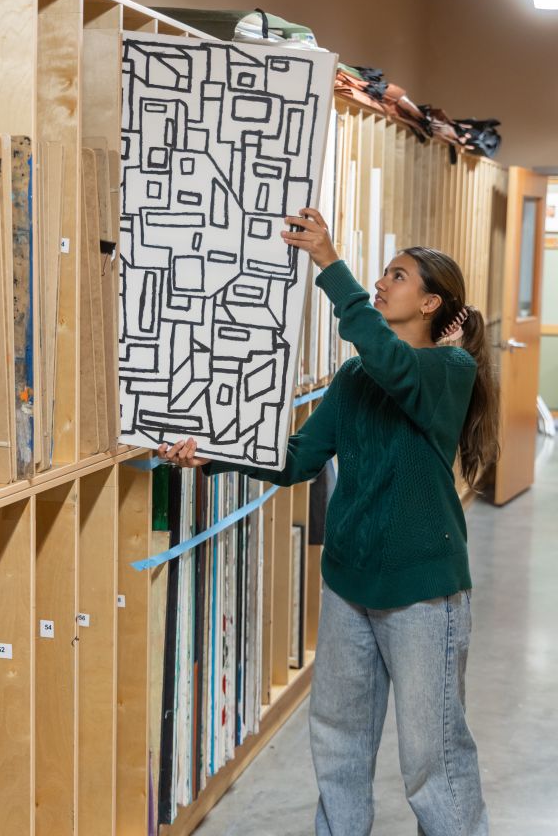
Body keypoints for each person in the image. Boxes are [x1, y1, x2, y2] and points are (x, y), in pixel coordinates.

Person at [157, 208, 499, 836]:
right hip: (348, 586)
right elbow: (295, 461)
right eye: (383, 273)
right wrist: (213, 451)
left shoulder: (450, 372)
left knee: (433, 757)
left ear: (428, 304)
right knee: (338, 742)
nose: (382, 282)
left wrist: (328, 264)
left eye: (397, 277)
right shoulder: (350, 379)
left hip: (423, 594)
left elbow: (391, 363)